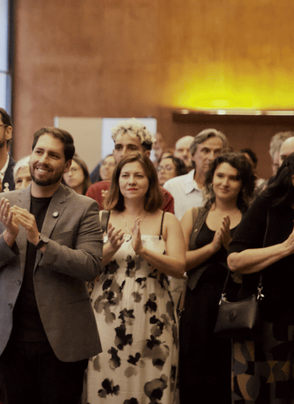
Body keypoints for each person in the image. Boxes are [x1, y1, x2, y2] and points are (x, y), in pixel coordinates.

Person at [0, 127, 103, 403]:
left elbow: (91, 265)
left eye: (54, 155)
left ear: (67, 165)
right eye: (39, 151)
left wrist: (40, 240)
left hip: (62, 341)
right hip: (10, 340)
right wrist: (8, 237)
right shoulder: (1, 203)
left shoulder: (84, 207)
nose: (43, 160)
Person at [85, 152, 186, 404]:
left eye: (139, 176)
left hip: (154, 312)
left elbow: (179, 267)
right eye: (125, 175)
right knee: (107, 375)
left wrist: (143, 251)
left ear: (150, 181)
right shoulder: (100, 218)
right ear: (116, 181)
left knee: (152, 378)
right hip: (106, 311)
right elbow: (86, 270)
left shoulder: (167, 219)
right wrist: (108, 252)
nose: (131, 181)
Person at [227, 149, 294, 403]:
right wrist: (287, 247)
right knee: (259, 396)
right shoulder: (267, 206)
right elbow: (235, 260)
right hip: (261, 323)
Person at [177, 153, 255, 403]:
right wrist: (212, 248)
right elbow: (178, 262)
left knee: (228, 371)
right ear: (211, 179)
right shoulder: (194, 214)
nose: (225, 182)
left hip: (236, 302)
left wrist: (231, 246)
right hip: (198, 300)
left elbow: (258, 265)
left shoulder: (252, 217)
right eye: (220, 175)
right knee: (194, 367)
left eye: (234, 178)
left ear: (243, 184)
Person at [85, 118, 175, 213]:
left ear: (146, 155)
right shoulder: (97, 191)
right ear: (113, 153)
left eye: (132, 148)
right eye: (118, 148)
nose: (123, 154)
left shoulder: (163, 196)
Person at [164, 128, 228, 219]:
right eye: (206, 151)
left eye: (217, 152)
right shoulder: (173, 187)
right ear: (193, 155)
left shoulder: (227, 188)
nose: (212, 157)